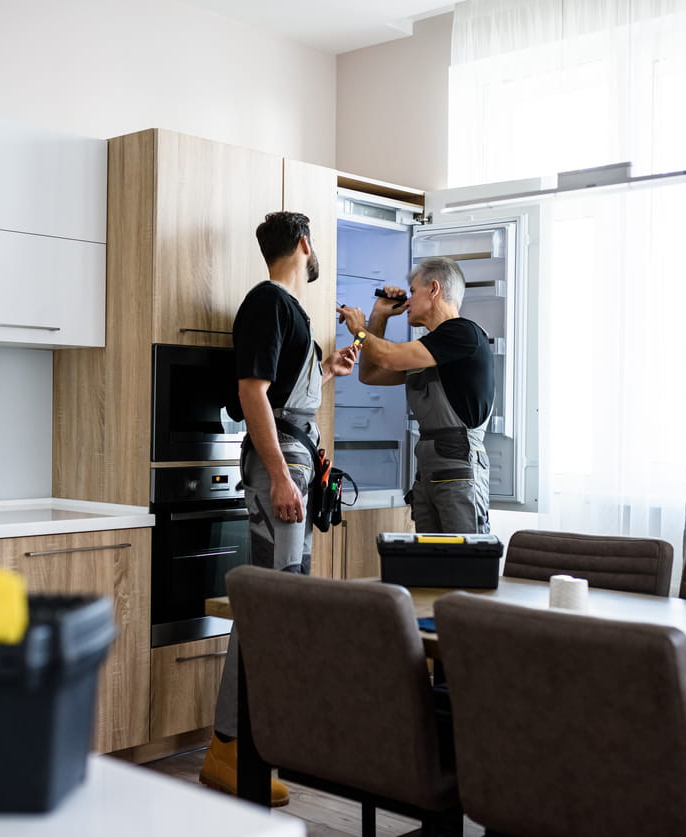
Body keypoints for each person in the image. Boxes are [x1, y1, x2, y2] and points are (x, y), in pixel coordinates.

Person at [199, 211, 358, 805]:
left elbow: (285, 390)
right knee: (268, 605)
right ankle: (230, 750)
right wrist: (277, 476)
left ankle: (253, 744)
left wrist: (327, 371)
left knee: (283, 603)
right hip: (281, 467)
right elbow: (252, 394)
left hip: (295, 461)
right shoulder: (267, 303)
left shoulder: (290, 311)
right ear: (303, 244)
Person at [337, 256, 494, 534]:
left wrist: (358, 331)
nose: (407, 301)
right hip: (429, 474)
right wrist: (379, 315)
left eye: (413, 292)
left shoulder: (462, 333)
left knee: (466, 564)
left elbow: (388, 358)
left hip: (459, 472)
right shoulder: (429, 348)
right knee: (427, 564)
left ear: (434, 289)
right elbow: (370, 373)